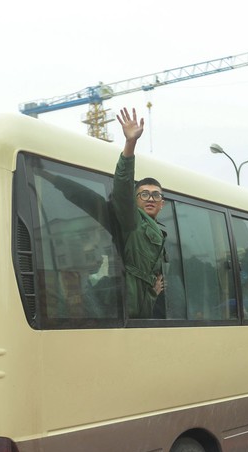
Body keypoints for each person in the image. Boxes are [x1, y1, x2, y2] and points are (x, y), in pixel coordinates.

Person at [114, 107, 167, 318]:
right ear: (135, 201)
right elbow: (122, 186)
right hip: (133, 309)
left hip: (147, 306)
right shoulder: (133, 221)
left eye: (156, 195)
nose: (151, 199)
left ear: (162, 204)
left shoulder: (159, 231)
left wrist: (153, 294)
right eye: (144, 194)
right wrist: (131, 143)